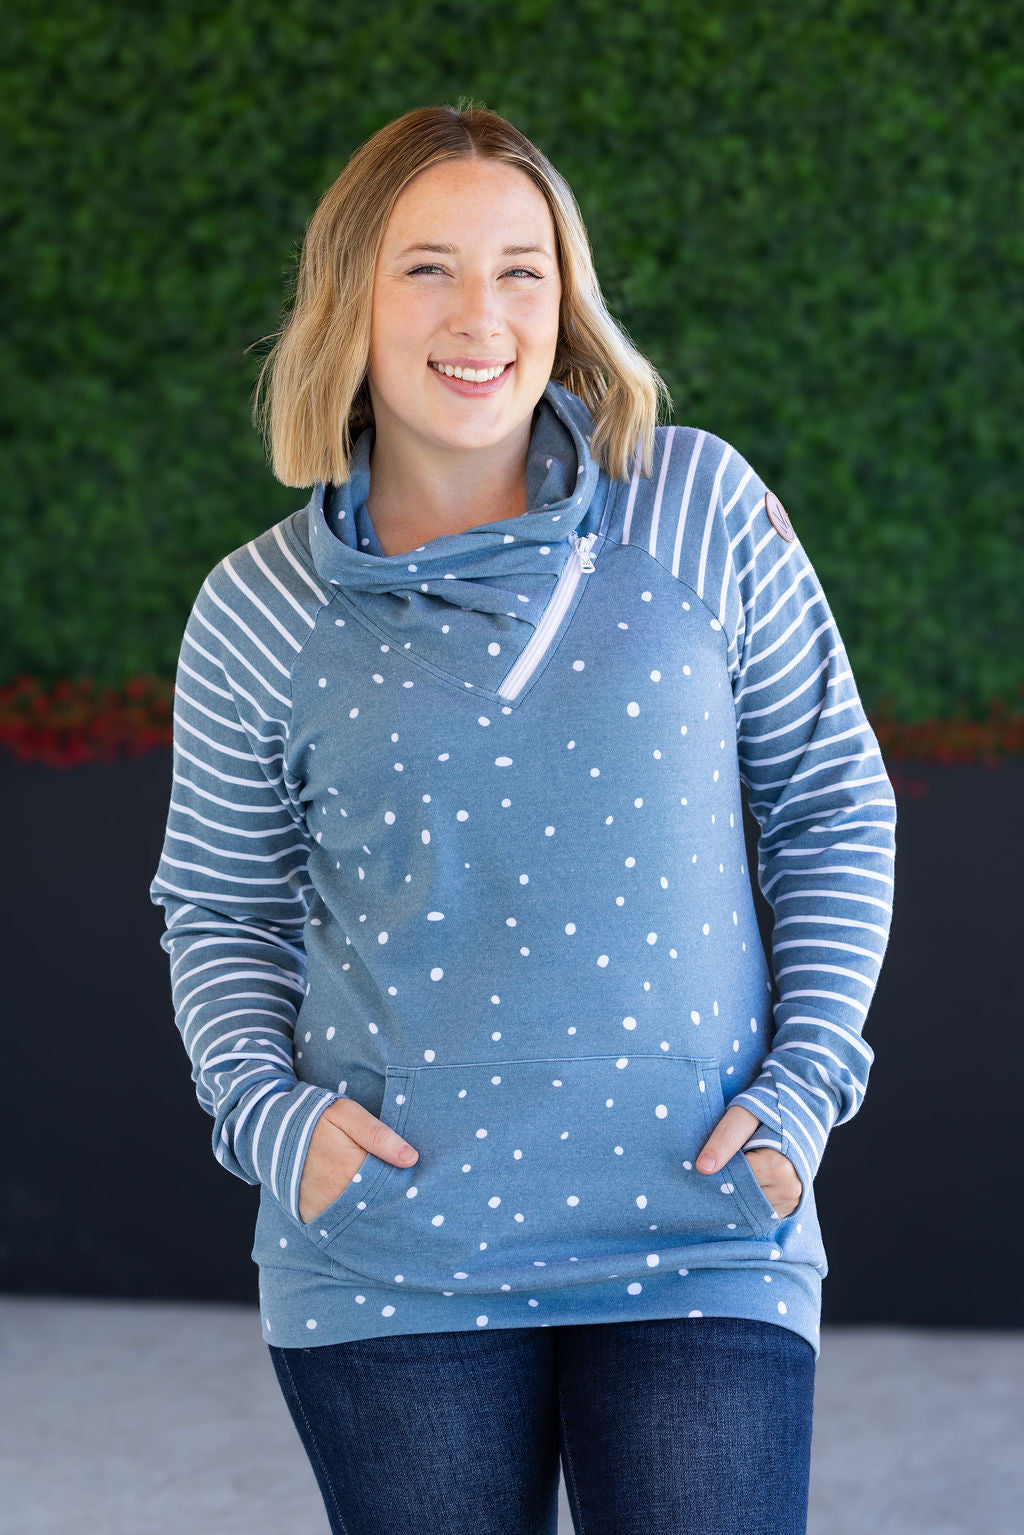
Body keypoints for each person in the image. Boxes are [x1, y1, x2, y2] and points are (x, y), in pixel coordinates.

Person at [149, 102, 896, 1535]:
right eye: (428, 268)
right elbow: (223, 907)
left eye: (523, 270)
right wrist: (272, 1119)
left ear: (568, 302)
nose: (479, 316)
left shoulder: (697, 508)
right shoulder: (257, 609)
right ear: (349, 301)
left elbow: (829, 807)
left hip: (704, 1231)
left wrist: (806, 1090)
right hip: (390, 1260)